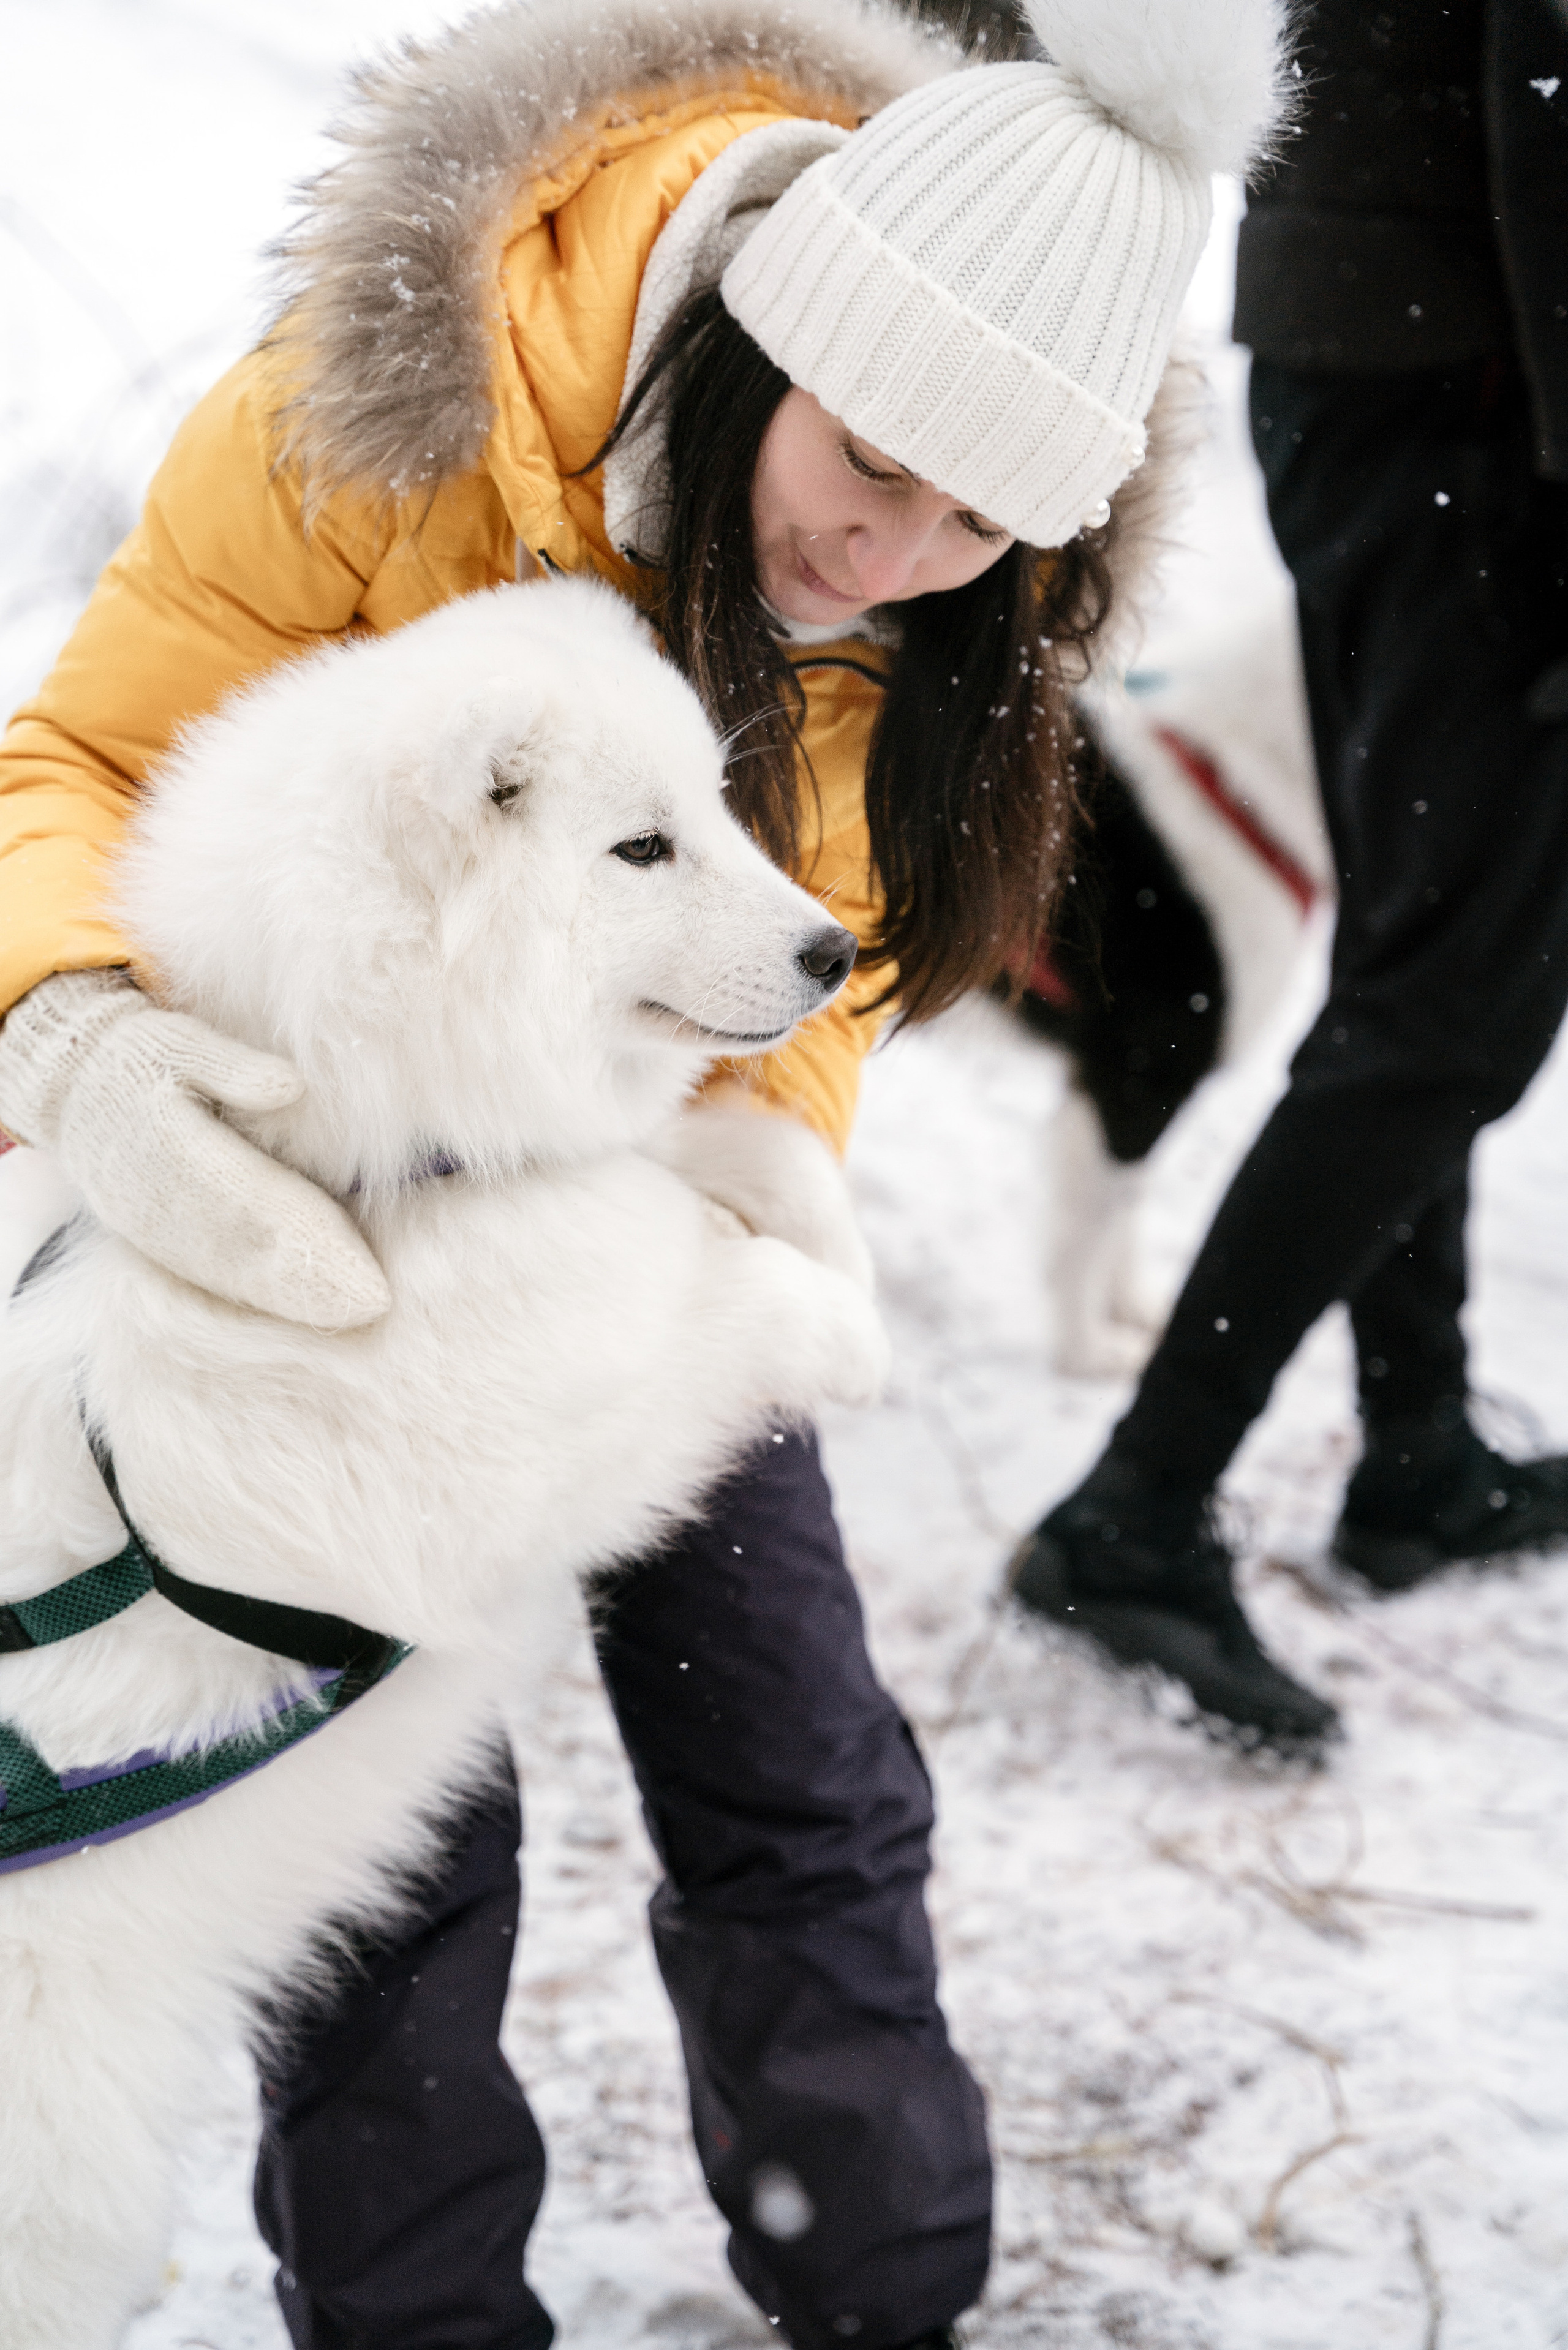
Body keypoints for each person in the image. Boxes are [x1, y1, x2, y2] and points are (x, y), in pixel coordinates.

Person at [0, 0, 1290, 2341]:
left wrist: (765, 1159)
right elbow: (83, 749)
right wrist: (70, 1031)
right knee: (387, 1840)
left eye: (985, 518)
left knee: (792, 1748)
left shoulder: (956, 616)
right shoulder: (381, 413)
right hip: (321, 1213)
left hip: (634, 1209)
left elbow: (824, 946)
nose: (895, 552)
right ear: (763, 332)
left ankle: (884, 2289)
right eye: (873, 465)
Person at [1013, 0, 1568, 1752]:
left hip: (1396, 343)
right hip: (1481, 392)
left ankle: (1415, 1446)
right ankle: (1137, 1512)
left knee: (1418, 958)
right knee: (1455, 1011)